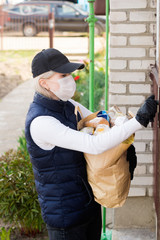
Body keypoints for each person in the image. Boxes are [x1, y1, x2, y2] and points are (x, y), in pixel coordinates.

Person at [25, 48, 158, 240]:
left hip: (87, 204)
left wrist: (122, 129)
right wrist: (137, 122)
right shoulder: (41, 122)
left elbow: (104, 120)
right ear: (44, 83)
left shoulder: (68, 104)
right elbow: (93, 144)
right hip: (65, 218)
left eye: (70, 74)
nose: (70, 79)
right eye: (63, 75)